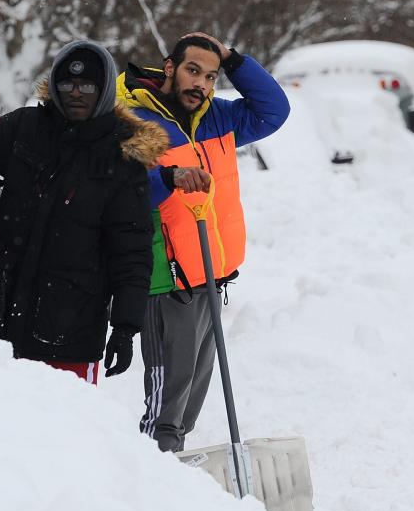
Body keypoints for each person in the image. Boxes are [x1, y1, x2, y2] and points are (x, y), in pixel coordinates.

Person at [0, 40, 168, 382]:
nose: (75, 92)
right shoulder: (26, 127)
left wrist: (126, 328)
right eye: (67, 84)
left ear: (103, 92)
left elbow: (131, 251)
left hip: (71, 333)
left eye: (87, 86)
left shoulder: (122, 156)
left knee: (61, 432)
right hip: (2, 326)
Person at [118, 32, 289, 452]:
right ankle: (149, 481)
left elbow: (274, 111)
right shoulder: (135, 122)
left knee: (189, 403)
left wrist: (232, 59)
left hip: (210, 275)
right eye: (193, 71)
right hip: (168, 280)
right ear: (170, 67)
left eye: (211, 77)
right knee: (165, 410)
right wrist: (168, 180)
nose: (201, 84)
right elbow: (126, 194)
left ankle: (171, 482)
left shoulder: (216, 118)